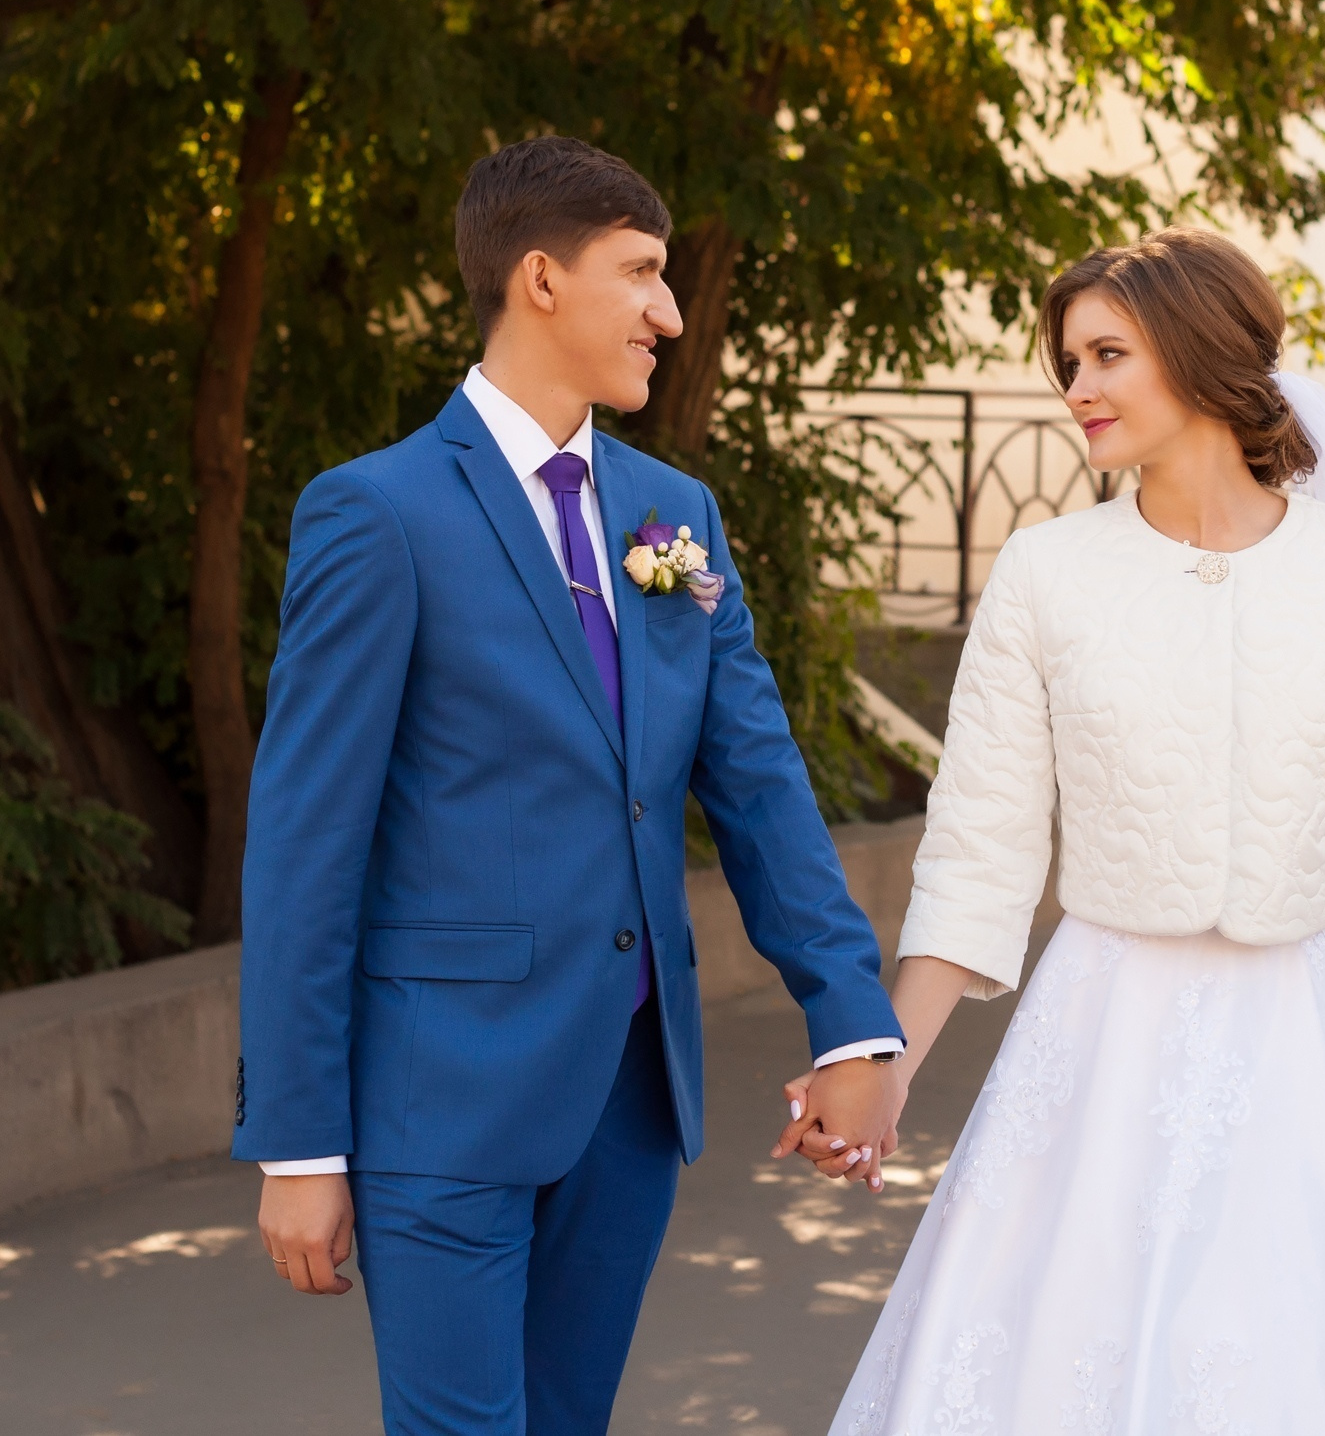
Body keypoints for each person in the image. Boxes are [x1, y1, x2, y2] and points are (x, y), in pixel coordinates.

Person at [781, 227, 1325, 1432]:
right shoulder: (1045, 573)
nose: (1077, 387)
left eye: (1108, 354)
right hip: (1100, 1043)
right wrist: (883, 1068)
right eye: (1068, 358)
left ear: (1200, 351)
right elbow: (977, 853)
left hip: (1312, 1051)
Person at [234, 136, 907, 1435]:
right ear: (539, 279)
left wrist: (850, 1016)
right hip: (439, 1095)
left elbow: (758, 781)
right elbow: (306, 842)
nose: (669, 309)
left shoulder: (675, 518)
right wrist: (300, 1140)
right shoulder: (374, 513)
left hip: (629, 1098)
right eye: (641, 272)